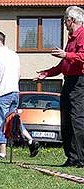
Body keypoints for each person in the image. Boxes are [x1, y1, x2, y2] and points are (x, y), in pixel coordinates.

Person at [34, 6, 84, 167]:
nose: (64, 23)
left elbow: (82, 57)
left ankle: (81, 159)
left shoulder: (82, 35)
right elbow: (64, 65)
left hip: (80, 82)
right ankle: (72, 158)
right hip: (69, 81)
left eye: (65, 20)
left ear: (72, 20)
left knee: (77, 120)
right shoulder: (71, 39)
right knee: (66, 120)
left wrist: (66, 54)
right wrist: (46, 73)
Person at [0, 31, 40, 158]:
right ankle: (30, 140)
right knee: (14, 119)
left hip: (3, 93)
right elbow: (18, 75)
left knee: (0, 121)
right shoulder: (14, 55)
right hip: (15, 92)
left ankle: (2, 152)